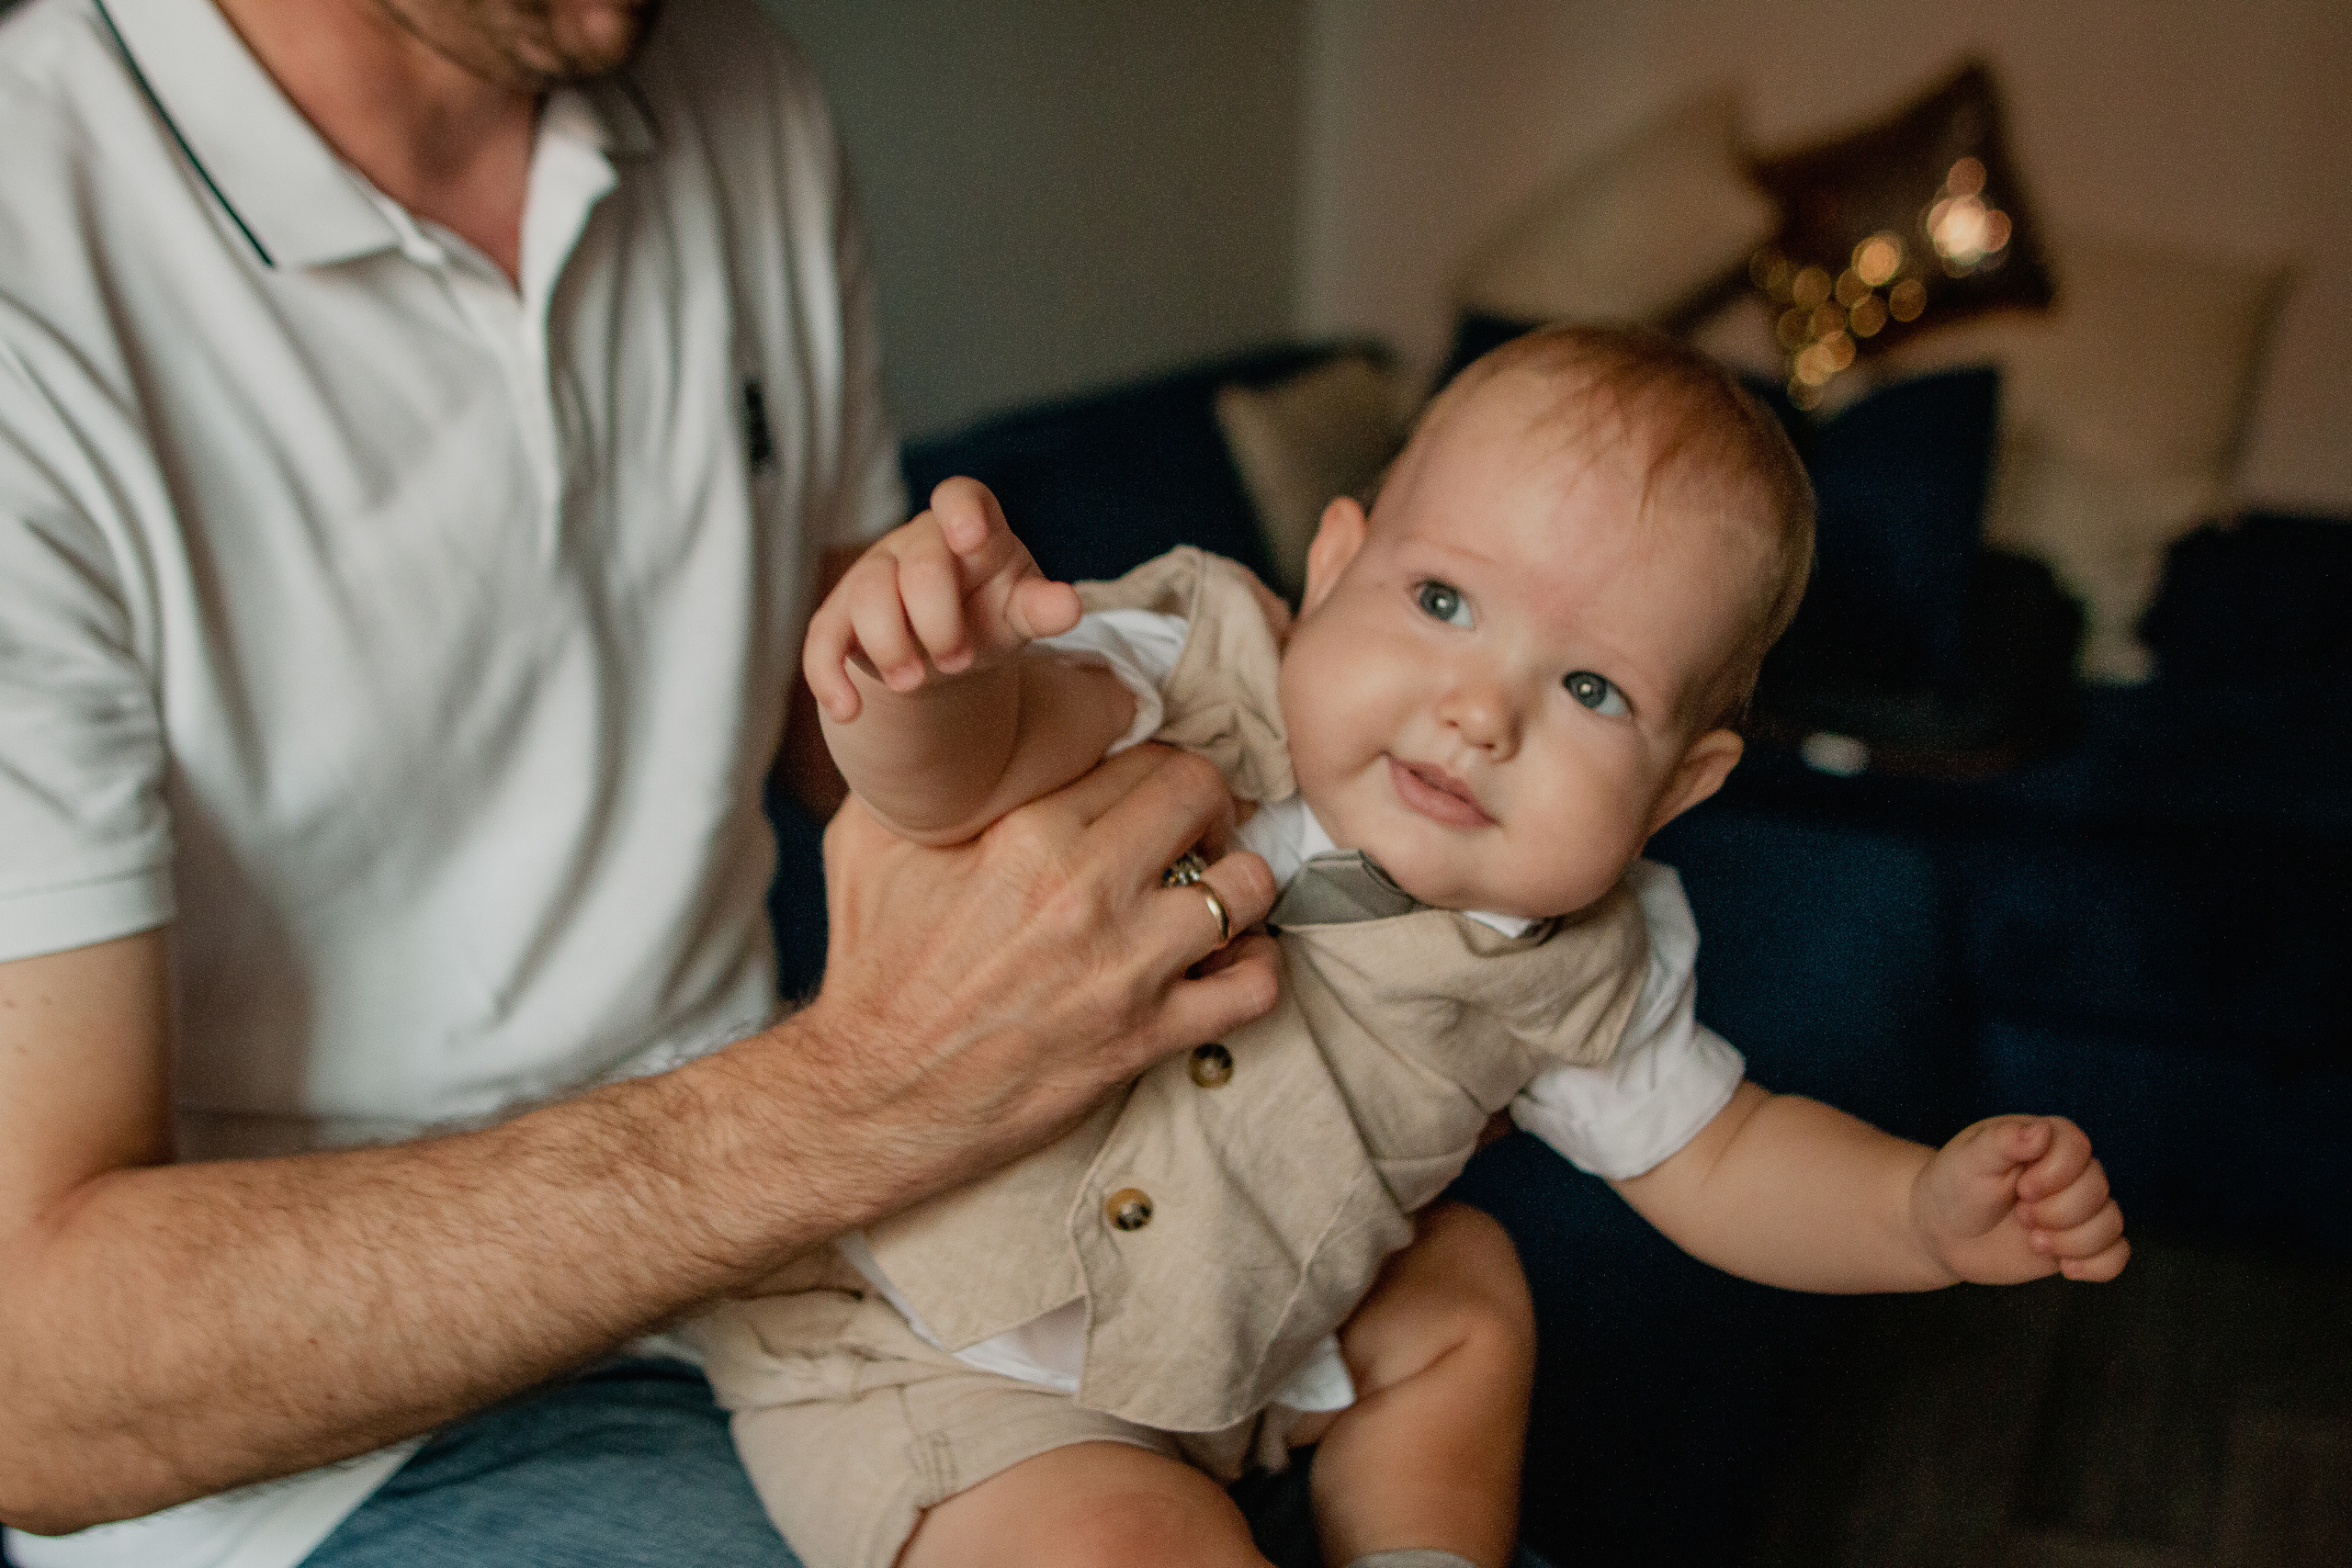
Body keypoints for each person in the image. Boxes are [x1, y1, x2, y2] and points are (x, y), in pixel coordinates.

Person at [0, 2, 1284, 1566]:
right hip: (334, 1460)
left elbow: (873, 729)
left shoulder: (739, 89)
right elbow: (32, 1373)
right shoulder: (34, 251)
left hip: (803, 1265)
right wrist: (864, 1094)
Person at [712, 324, 2134, 1568]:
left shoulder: (1582, 957)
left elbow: (1722, 1155)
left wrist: (1919, 1215)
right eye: (1444, 603)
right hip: (927, 1343)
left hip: (1224, 1356)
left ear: (1681, 788)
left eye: (1588, 686)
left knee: (1468, 1299)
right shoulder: (1195, 671)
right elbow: (966, 768)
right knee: (1140, 1547)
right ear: (1332, 572)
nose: (1478, 713)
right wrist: (917, 682)